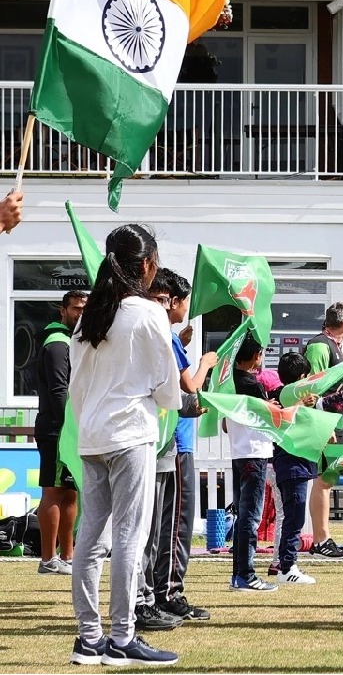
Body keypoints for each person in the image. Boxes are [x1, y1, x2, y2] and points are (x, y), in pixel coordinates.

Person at [68, 224, 181, 667]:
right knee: (129, 538)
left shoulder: (89, 317)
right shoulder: (147, 313)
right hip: (131, 433)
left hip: (92, 434)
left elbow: (78, 387)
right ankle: (121, 637)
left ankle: (88, 637)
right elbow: (168, 389)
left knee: (90, 538)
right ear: (147, 265)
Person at [148, 269, 216, 623]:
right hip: (174, 441)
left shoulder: (170, 337)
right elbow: (188, 388)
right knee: (174, 523)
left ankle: (161, 591)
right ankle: (168, 592)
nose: (184, 307)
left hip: (174, 440)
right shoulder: (164, 336)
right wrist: (205, 362)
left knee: (168, 523)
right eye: (182, 301)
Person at [35, 289, 87, 575]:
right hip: (57, 430)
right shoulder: (57, 342)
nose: (80, 314)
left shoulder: (72, 341)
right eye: (76, 308)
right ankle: (47, 559)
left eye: (84, 309)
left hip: (69, 428)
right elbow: (58, 392)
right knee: (54, 493)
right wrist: (71, 427)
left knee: (70, 494)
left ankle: (67, 557)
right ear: (63, 310)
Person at [305, 302, 343, 561]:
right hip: (327, 425)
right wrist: (325, 426)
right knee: (323, 481)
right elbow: (314, 389)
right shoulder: (319, 346)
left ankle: (325, 537)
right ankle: (320, 540)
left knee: (330, 480)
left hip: (339, 423)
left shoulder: (336, 347)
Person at [228, 337, 278, 592]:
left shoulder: (228, 385)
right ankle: (245, 574)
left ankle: (238, 573)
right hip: (255, 453)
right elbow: (268, 422)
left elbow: (226, 424)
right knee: (250, 517)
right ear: (257, 355)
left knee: (242, 516)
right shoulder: (253, 385)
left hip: (238, 452)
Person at [271, 352, 320, 585]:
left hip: (298, 465)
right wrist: (300, 404)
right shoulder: (278, 399)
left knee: (294, 517)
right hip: (290, 466)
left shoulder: (290, 400)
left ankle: (287, 564)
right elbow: (284, 419)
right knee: (293, 518)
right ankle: (287, 566)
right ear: (302, 377)